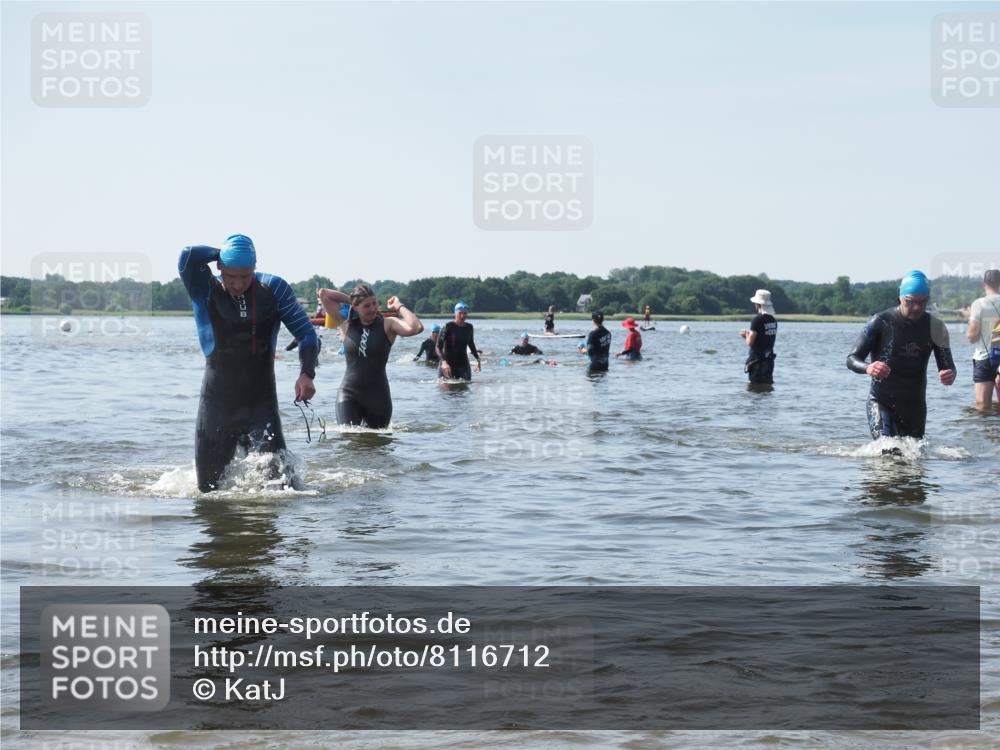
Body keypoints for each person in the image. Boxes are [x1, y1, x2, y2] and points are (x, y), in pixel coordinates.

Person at [179, 235, 319, 492]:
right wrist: (227, 253)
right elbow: (188, 255)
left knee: (283, 490)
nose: (237, 283)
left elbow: (307, 334)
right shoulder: (204, 287)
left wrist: (306, 374)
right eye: (231, 276)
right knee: (209, 493)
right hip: (216, 405)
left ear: (255, 267)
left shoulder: (273, 288)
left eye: (245, 275)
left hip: (261, 406)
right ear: (219, 267)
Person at [846, 270, 956, 440]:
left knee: (914, 459)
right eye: (911, 302)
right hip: (881, 402)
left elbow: (948, 367)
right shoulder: (880, 321)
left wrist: (949, 374)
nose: (917, 307)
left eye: (923, 302)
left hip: (915, 407)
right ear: (900, 297)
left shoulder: (936, 327)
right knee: (887, 451)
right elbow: (852, 359)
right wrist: (868, 367)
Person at [318, 285, 423, 429]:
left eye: (375, 303)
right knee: (349, 438)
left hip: (378, 397)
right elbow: (324, 294)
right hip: (349, 394)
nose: (373, 308)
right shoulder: (345, 324)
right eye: (367, 305)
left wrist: (398, 306)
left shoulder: (388, 324)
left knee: (377, 447)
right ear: (355, 308)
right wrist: (352, 300)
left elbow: (416, 327)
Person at [961, 269, 1000, 408]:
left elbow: (972, 336)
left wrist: (970, 318)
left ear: (984, 284)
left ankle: (985, 430)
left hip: (985, 357)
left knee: (982, 406)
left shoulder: (979, 303)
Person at [739, 289, 778, 384]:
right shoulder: (773, 320)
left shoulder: (757, 320)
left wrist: (745, 335)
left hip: (757, 363)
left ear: (758, 304)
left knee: (753, 391)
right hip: (769, 363)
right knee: (767, 391)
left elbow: (750, 342)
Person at [437, 301, 481, 380]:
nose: (462, 315)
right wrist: (443, 362)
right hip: (447, 364)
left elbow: (471, 344)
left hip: (463, 365)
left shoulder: (469, 327)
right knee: (446, 390)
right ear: (455, 313)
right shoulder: (448, 326)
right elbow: (438, 347)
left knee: (465, 389)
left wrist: (477, 359)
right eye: (460, 313)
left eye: (465, 313)